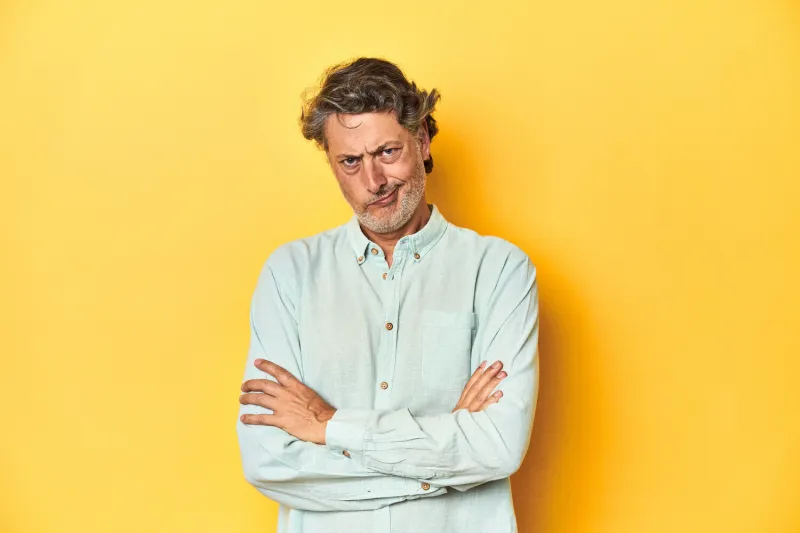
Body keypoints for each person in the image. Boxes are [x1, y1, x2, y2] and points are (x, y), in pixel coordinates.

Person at [236, 57, 540, 533]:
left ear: (422, 142)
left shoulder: (500, 270)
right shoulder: (289, 274)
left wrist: (329, 425)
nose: (373, 182)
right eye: (350, 162)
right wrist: (443, 464)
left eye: (387, 152)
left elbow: (497, 446)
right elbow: (269, 461)